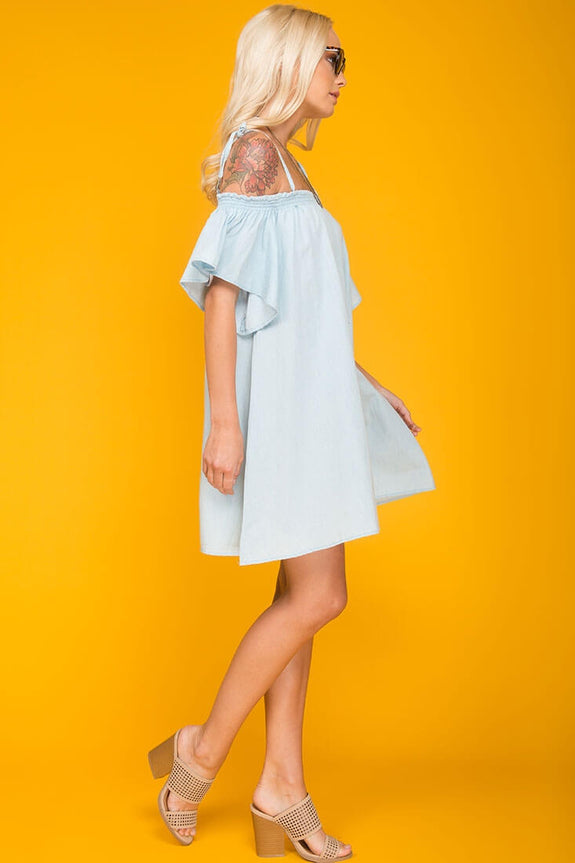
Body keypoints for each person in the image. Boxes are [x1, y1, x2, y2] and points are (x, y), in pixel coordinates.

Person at [148, 4, 435, 860]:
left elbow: (311, 309)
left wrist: (370, 386)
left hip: (313, 409)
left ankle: (281, 784)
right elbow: (222, 295)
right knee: (320, 597)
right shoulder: (255, 153)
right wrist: (225, 424)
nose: (341, 75)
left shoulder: (289, 167)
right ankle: (198, 754)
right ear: (287, 63)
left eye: (343, 60)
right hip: (279, 418)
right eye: (329, 58)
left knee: (299, 602)